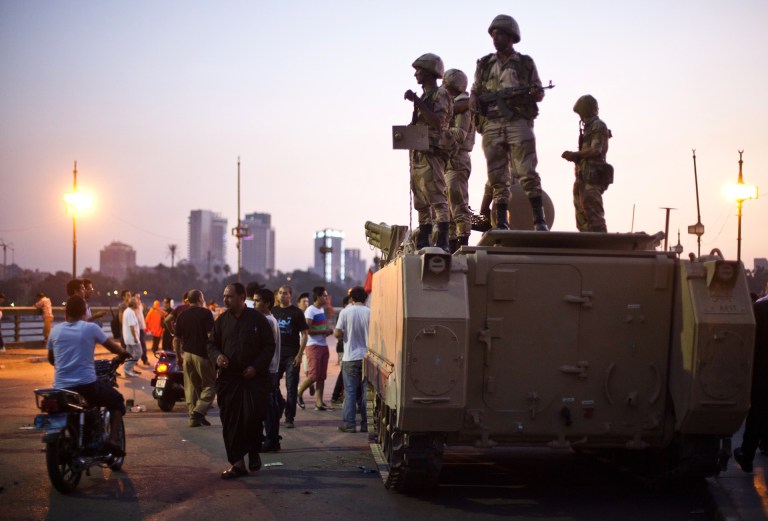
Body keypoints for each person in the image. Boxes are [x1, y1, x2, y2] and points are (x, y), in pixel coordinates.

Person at [469, 14, 549, 232]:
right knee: (497, 175)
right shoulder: (485, 64)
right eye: (493, 35)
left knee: (526, 170)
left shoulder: (524, 63)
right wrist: (475, 99)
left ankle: (539, 219)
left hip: (517, 121)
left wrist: (534, 93)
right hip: (492, 124)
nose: (496, 38)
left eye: (500, 34)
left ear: (512, 36)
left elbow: (538, 91)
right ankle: (502, 220)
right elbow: (475, 90)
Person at [207, 283, 275, 479]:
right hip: (229, 380)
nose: (225, 300)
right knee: (230, 421)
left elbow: (268, 347)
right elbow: (211, 344)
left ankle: (253, 451)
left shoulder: (258, 320)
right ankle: (238, 464)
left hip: (254, 379)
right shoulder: (221, 321)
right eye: (224, 296)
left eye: (229, 296)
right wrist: (218, 357)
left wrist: (255, 367)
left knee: (253, 418)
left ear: (242, 297)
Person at [47, 295, 129, 456]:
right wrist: (124, 353)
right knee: (117, 401)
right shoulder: (90, 328)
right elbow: (114, 348)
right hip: (86, 385)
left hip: (60, 387)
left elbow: (52, 359)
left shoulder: (55, 330)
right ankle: (112, 441)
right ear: (85, 312)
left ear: (65, 313)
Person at [405, 53, 453, 251]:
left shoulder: (440, 94)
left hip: (432, 152)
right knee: (421, 200)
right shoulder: (425, 97)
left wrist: (417, 101)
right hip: (419, 153)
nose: (416, 74)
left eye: (419, 71)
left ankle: (443, 240)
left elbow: (438, 122)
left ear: (429, 72)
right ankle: (423, 238)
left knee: (437, 198)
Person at [562, 95, 612, 232]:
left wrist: (575, 154)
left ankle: (600, 245)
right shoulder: (588, 127)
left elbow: (595, 150)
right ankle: (586, 238)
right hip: (582, 176)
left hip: (593, 177)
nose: (581, 118)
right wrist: (575, 157)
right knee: (581, 213)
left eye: (582, 114)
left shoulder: (598, 125)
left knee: (593, 212)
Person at [733, 299, 768, 472]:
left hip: (763, 371)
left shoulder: (760, 308)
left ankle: (747, 455)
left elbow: (750, 341)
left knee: (758, 413)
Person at [443, 68, 476, 252]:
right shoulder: (452, 106)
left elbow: (458, 134)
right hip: (447, 161)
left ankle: (462, 244)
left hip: (457, 159)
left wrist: (437, 133)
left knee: (458, 205)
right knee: (447, 209)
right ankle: (452, 244)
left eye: (445, 85)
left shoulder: (462, 106)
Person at [174, 289, 215, 427]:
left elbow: (176, 339)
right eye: (202, 297)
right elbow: (211, 335)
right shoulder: (206, 313)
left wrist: (178, 356)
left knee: (191, 387)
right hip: (202, 355)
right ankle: (199, 410)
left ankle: (194, 418)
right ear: (199, 299)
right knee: (210, 385)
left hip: (187, 355)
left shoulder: (182, 315)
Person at [334, 286, 370, 433]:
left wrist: (344, 335)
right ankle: (366, 424)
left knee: (350, 392)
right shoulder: (370, 312)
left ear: (352, 298)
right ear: (365, 298)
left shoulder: (345, 312)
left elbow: (337, 333)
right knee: (366, 392)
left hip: (350, 357)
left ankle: (349, 424)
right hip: (367, 357)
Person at [272, 285, 308, 429]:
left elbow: (305, 334)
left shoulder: (297, 313)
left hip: (292, 355)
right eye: (280, 293)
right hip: (276, 355)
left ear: (290, 295)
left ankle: (289, 418)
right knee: (272, 385)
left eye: (285, 293)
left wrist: (300, 355)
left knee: (291, 388)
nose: (282, 296)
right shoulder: (273, 311)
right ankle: (281, 405)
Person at [254, 288, 283, 451]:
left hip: (268, 369)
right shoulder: (267, 319)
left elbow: (267, 349)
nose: (254, 303)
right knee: (268, 406)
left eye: (257, 300)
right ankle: (271, 439)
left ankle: (272, 440)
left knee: (268, 408)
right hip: (269, 369)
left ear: (267, 303)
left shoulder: (268, 321)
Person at [297, 286, 333, 410]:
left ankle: (319, 402)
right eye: (324, 296)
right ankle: (298, 393)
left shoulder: (321, 310)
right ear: (318, 297)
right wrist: (324, 331)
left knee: (322, 376)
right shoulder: (310, 311)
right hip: (313, 346)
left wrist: (325, 331)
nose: (326, 298)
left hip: (323, 344)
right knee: (313, 376)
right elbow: (307, 330)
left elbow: (318, 328)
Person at [331, 295, 352, 405]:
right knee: (343, 372)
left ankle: (338, 395)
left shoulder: (347, 312)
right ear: (345, 304)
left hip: (347, 348)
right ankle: (336, 395)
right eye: (350, 302)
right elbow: (338, 333)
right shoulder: (343, 313)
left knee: (344, 372)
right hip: (343, 347)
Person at [122, 297, 142, 377]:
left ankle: (128, 371)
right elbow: (132, 326)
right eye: (137, 303)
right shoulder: (130, 312)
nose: (138, 304)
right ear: (134, 304)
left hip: (128, 337)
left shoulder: (128, 311)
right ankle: (127, 368)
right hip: (132, 338)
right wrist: (135, 338)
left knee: (129, 354)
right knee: (139, 353)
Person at [132, 292, 149, 365]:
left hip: (141, 327)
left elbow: (142, 316)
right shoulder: (132, 307)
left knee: (143, 343)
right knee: (135, 344)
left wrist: (144, 326)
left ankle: (144, 359)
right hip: (135, 327)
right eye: (137, 297)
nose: (138, 299)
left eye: (139, 297)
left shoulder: (141, 305)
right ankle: (134, 360)